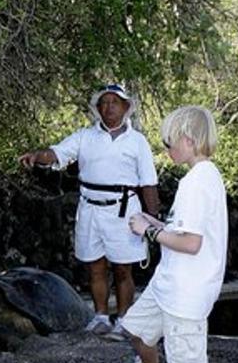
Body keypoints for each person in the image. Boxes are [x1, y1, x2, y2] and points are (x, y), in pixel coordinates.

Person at [120, 106, 228, 363]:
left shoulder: (198, 181)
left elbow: (192, 243)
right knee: (134, 328)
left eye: (169, 144)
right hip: (168, 284)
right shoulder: (201, 177)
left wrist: (149, 230)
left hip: (186, 294)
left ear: (188, 139)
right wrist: (155, 221)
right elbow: (182, 230)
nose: (167, 151)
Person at [18, 85, 160, 338]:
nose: (109, 107)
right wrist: (39, 156)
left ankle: (124, 319)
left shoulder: (138, 142)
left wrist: (153, 220)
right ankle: (101, 317)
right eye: (104, 103)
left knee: (123, 269)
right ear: (98, 109)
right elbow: (58, 153)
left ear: (126, 107)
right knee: (95, 267)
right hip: (90, 209)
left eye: (115, 102)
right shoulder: (84, 136)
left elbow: (148, 182)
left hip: (124, 211)